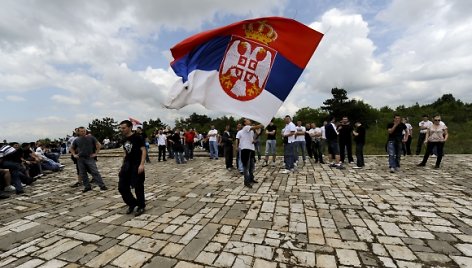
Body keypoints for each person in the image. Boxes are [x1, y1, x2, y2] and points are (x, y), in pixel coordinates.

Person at [118, 120, 147, 216]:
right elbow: (125, 152)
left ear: (130, 127)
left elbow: (143, 150)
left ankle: (141, 206)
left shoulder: (137, 137)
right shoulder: (123, 139)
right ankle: (132, 203)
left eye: (124, 128)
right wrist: (123, 165)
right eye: (121, 128)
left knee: (138, 186)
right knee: (122, 187)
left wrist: (142, 164)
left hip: (137, 163)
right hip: (127, 164)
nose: (122, 130)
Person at [70, 127, 108, 192]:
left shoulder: (91, 138)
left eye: (84, 131)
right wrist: (74, 154)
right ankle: (87, 186)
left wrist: (96, 153)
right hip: (80, 158)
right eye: (81, 131)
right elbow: (71, 148)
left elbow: (98, 145)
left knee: (95, 171)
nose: (83, 132)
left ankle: (102, 185)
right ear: (78, 132)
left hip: (89, 157)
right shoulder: (76, 140)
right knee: (83, 173)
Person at [236, 118, 263, 188]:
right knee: (246, 166)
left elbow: (257, 133)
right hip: (245, 149)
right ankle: (246, 181)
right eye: (247, 120)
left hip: (251, 149)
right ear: (244, 123)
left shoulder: (250, 130)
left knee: (251, 165)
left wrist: (254, 139)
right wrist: (264, 122)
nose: (249, 120)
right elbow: (257, 127)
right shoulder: (246, 127)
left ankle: (251, 178)